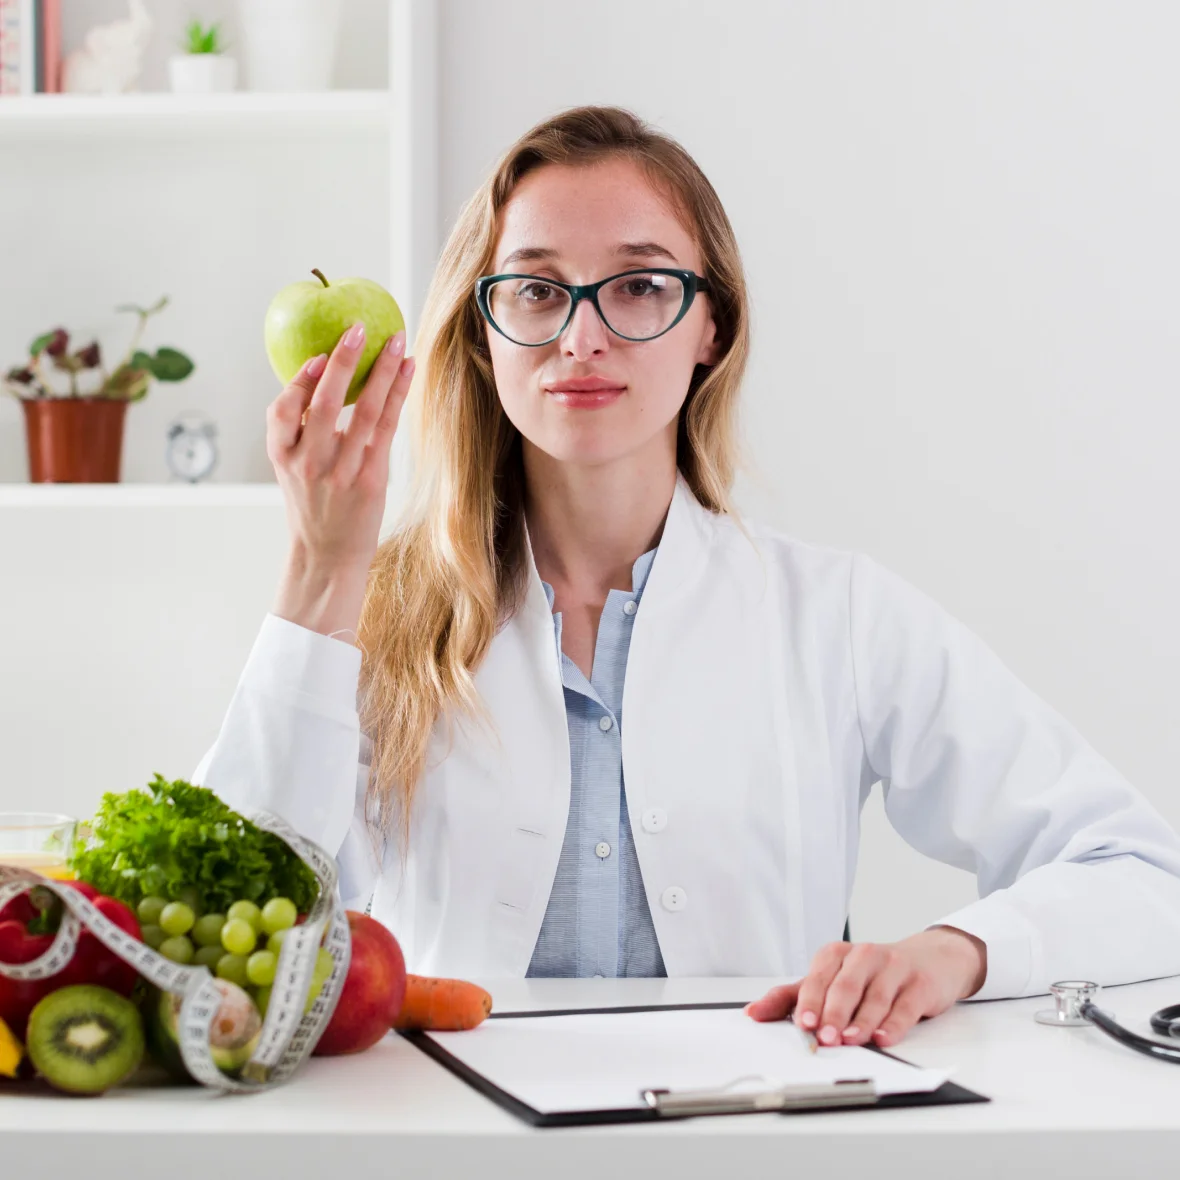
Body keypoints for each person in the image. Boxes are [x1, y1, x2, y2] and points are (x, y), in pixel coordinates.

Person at [195, 105, 1180, 1052]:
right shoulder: (374, 612)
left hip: (753, 1130)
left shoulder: (836, 616)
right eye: (536, 289)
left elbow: (1140, 871)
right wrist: (322, 570)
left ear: (712, 325)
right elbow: (220, 925)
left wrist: (951, 953)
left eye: (638, 286)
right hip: (452, 1134)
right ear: (482, 332)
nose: (581, 337)